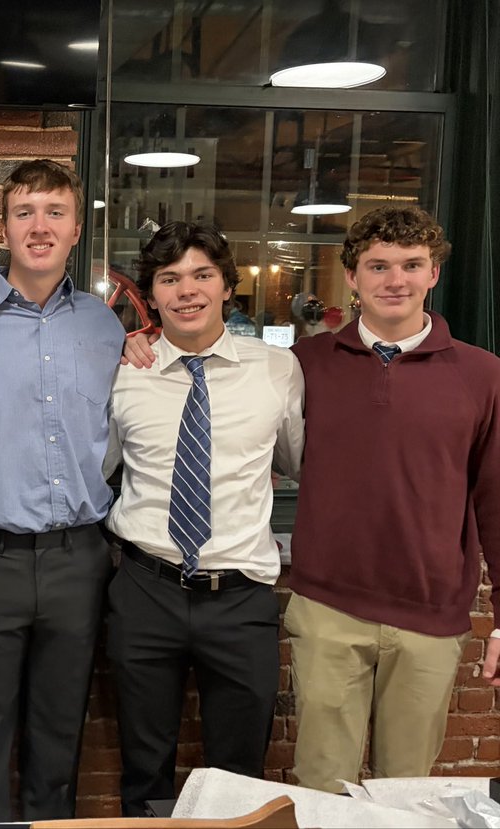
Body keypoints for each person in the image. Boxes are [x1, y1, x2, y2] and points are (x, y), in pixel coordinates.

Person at [0, 159, 126, 822]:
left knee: (58, 734)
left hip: (79, 559)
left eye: (54, 212)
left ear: (77, 229)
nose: (39, 226)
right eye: (24, 212)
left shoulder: (109, 329)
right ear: (4, 227)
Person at [284, 206, 500, 791]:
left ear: (434, 274)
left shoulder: (483, 375)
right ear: (351, 277)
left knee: (406, 792)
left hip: (429, 610)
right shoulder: (305, 366)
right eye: (378, 266)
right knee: (321, 786)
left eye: (411, 265)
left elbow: (495, 497)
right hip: (329, 605)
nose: (395, 280)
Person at [104, 221, 304, 816]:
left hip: (241, 596)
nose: (186, 291)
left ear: (225, 286)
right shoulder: (123, 373)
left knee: (240, 775)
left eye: (201, 275)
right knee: (144, 767)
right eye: (169, 278)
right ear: (152, 293)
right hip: (145, 589)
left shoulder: (276, 370)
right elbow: (100, 468)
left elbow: (300, 461)